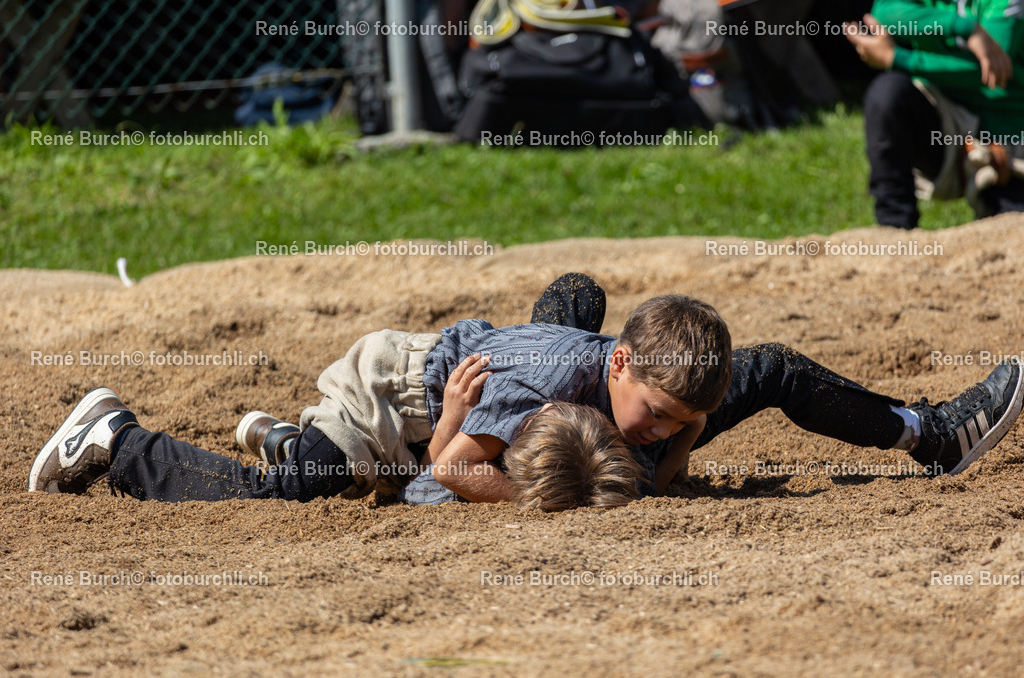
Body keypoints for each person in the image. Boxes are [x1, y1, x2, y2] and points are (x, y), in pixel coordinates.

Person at [29, 274, 1024, 509]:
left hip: (531, 373)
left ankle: (929, 431)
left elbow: (669, 433)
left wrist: (675, 442)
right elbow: (443, 474)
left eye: (685, 419)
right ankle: (119, 437)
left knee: (780, 369)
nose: (663, 433)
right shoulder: (542, 393)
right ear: (620, 367)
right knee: (300, 494)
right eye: (656, 416)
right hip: (407, 398)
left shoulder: (659, 393)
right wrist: (547, 484)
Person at [845, 0, 1024, 229]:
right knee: (887, 94)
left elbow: (990, 70)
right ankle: (893, 230)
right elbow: (883, 12)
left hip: (1008, 132)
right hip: (943, 116)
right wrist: (966, 28)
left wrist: (895, 58)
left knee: (1013, 229)